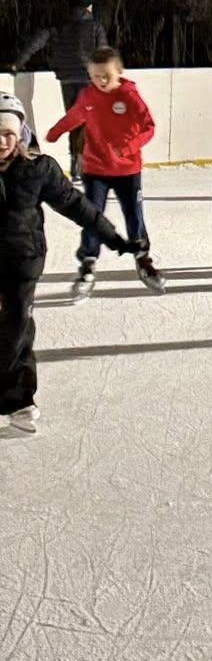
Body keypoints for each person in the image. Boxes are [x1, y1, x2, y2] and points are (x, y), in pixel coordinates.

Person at [0, 96, 124, 436]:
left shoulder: (37, 169)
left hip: (23, 259)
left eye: (8, 134)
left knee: (16, 326)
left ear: (21, 133)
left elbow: (73, 203)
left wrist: (108, 234)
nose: (1, 141)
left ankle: (20, 402)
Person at [46, 47, 166, 297]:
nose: (100, 81)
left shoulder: (129, 95)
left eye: (106, 76)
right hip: (95, 169)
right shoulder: (88, 95)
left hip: (128, 170)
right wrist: (55, 132)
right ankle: (88, 261)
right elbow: (74, 117)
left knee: (134, 214)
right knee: (92, 216)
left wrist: (130, 146)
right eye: (95, 76)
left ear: (119, 72)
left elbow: (149, 127)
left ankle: (142, 256)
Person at [11, 0, 106, 180]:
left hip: (67, 79)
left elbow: (36, 42)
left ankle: (78, 165)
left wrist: (18, 63)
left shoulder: (58, 27)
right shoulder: (95, 26)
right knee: (87, 121)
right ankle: (83, 165)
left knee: (75, 120)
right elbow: (103, 52)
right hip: (88, 79)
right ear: (88, 7)